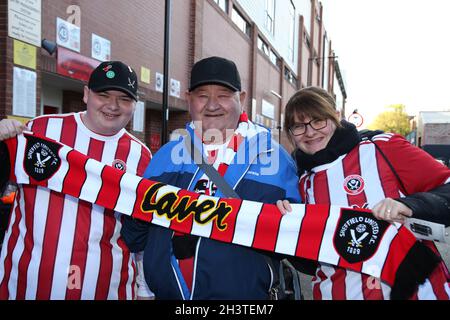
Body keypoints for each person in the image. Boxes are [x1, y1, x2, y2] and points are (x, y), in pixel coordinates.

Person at [121, 56, 301, 300]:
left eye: (224, 94)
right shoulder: (166, 155)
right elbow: (135, 236)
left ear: (243, 98)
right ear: (189, 99)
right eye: (202, 95)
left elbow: (299, 246)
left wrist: (288, 223)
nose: (213, 105)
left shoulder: (275, 158)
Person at [277, 86, 450, 300]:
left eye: (318, 120)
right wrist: (286, 225)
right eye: (298, 126)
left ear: (336, 117)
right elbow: (310, 259)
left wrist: (410, 205)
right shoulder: (299, 180)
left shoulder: (381, 148)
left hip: (416, 292)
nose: (310, 132)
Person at [0, 61, 152, 300]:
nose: (113, 105)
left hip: (108, 288)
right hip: (26, 284)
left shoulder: (141, 155)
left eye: (124, 98)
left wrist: (144, 288)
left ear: (134, 105)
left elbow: (142, 230)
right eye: (103, 94)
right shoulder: (39, 130)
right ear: (86, 95)